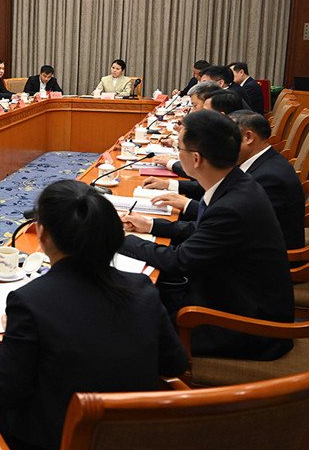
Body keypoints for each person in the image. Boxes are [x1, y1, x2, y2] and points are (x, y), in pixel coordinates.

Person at [0, 179, 188, 450]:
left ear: (42, 234)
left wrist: (10, 333)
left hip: (58, 440)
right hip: (134, 437)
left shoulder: (29, 302)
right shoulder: (142, 288)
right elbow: (175, 364)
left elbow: (7, 392)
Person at [121, 110, 293, 360]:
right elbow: (204, 231)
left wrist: (120, 239)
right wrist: (151, 225)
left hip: (245, 325)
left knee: (128, 323)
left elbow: (179, 261)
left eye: (179, 148)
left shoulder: (232, 205)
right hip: (226, 294)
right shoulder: (236, 183)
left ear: (196, 159)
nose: (177, 153)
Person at [143, 111, 305, 252]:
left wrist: (184, 207)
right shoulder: (257, 162)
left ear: (248, 137)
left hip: (254, 260)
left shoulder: (269, 177)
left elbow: (223, 223)